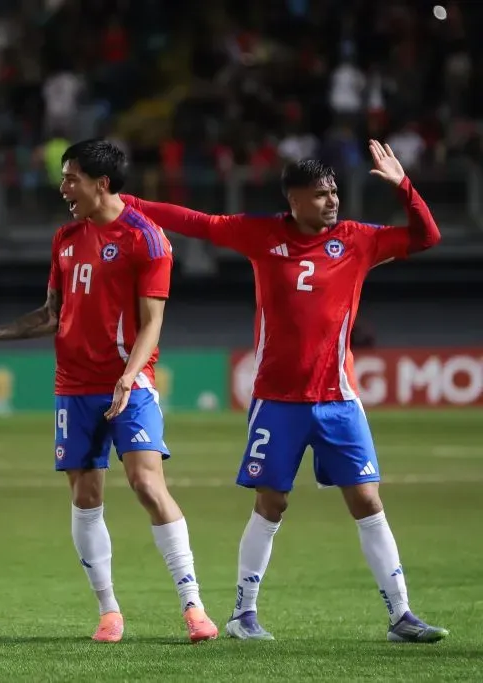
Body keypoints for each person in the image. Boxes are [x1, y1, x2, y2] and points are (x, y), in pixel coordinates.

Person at [126, 140, 447, 642]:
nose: (332, 200)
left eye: (334, 191)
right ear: (294, 200)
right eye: (321, 193)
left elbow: (427, 237)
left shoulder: (358, 240)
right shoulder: (263, 234)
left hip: (339, 400)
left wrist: (403, 186)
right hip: (277, 401)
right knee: (271, 503)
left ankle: (401, 616)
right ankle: (243, 615)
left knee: (367, 500)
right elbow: (197, 222)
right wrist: (127, 204)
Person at [0, 140, 218, 644]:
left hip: (130, 383)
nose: (63, 187)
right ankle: (109, 612)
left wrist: (129, 375)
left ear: (101, 183)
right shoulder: (65, 237)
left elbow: (152, 322)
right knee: (86, 497)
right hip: (74, 386)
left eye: (71, 178)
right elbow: (52, 314)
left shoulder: (146, 238)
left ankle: (193, 606)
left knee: (147, 484)